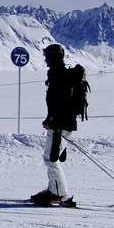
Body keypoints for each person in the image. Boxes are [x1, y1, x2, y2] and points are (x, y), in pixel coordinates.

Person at [33, 44, 75, 206]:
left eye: (47, 57)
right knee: (50, 157)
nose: (45, 60)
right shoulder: (58, 74)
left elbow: (61, 103)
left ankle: (60, 194)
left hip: (61, 124)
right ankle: (53, 190)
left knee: (51, 159)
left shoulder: (60, 76)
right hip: (61, 123)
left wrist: (53, 121)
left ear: (55, 57)